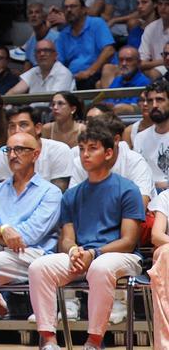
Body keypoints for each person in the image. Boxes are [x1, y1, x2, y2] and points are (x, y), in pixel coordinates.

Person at [27, 125, 145, 350]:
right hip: (84, 255)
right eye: (81, 149)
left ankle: (94, 341)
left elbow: (129, 241)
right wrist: (74, 251)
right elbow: (66, 238)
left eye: (92, 148)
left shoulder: (127, 189)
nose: (85, 154)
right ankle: (49, 339)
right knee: (39, 267)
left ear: (108, 153)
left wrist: (94, 253)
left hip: (122, 256)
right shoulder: (72, 194)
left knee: (100, 267)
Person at [0, 130, 62, 348]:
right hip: (0, 256)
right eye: (8, 149)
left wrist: (2, 231)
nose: (12, 155)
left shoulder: (50, 192)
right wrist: (6, 229)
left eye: (20, 149)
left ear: (35, 155)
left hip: (35, 255)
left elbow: (31, 234)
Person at [55, 0, 115, 89]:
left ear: (84, 10)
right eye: (66, 8)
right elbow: (59, 63)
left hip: (96, 74)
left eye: (73, 6)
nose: (69, 10)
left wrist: (90, 71)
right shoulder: (63, 35)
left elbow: (109, 50)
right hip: (73, 79)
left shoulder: (97, 23)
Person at [6, 107, 74, 191]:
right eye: (12, 126)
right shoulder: (4, 154)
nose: (16, 131)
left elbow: (58, 194)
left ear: (38, 128)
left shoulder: (59, 150)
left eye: (23, 125)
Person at [133, 79, 169, 189]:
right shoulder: (140, 138)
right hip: (147, 195)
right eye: (150, 101)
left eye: (159, 100)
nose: (154, 105)